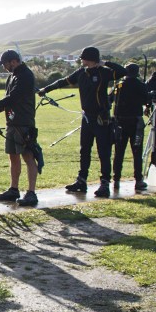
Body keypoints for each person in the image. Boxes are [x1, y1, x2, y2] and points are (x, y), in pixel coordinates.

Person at [40, 46, 115, 198]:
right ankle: (81, 181)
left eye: (84, 58)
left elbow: (123, 71)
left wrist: (104, 63)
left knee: (103, 152)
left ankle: (105, 183)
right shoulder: (81, 73)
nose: (82, 60)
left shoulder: (104, 72)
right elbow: (63, 81)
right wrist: (46, 89)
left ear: (91, 59)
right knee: (84, 150)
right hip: (87, 118)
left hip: (101, 119)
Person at [0, 49, 41, 206]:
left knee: (28, 156)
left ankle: (31, 193)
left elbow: (14, 97)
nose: (4, 67)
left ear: (13, 61)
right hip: (12, 122)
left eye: (5, 64)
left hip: (24, 122)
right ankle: (14, 189)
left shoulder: (25, 76)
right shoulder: (12, 76)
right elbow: (8, 101)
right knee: (13, 156)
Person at [104, 61, 149, 191]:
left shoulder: (119, 85)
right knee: (137, 152)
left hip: (119, 123)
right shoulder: (140, 85)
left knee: (119, 152)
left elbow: (109, 99)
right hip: (135, 123)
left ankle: (116, 179)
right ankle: (138, 180)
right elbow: (146, 101)